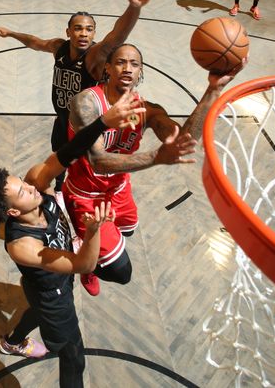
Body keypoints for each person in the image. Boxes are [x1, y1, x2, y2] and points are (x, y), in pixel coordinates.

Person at [0, 91, 146, 388]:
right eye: (23, 191)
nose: (30, 186)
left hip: (47, 284)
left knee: (34, 305)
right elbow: (82, 264)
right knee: (73, 356)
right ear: (13, 211)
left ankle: (12, 342)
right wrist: (90, 233)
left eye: (23, 182)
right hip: (54, 297)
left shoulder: (37, 185)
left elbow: (68, 152)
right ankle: (16, 342)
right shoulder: (22, 246)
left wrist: (103, 121)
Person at [64, 43, 246, 296]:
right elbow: (98, 161)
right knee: (120, 272)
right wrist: (156, 157)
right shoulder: (86, 103)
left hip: (118, 189)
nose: (128, 68)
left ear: (141, 72)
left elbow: (183, 139)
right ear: (107, 67)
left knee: (128, 230)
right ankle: (85, 260)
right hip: (85, 194)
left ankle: (93, 247)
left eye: (134, 64)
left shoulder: (148, 110)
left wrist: (213, 89)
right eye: (120, 62)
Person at [0, 0, 166, 190]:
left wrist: (135, 7)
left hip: (86, 124)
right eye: (78, 28)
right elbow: (35, 42)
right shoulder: (59, 47)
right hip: (62, 118)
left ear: (94, 34)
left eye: (89, 29)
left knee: (81, 164)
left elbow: (117, 37)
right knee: (57, 159)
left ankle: (88, 193)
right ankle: (57, 190)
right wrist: (11, 33)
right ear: (68, 32)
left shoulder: (94, 57)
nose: (84, 33)